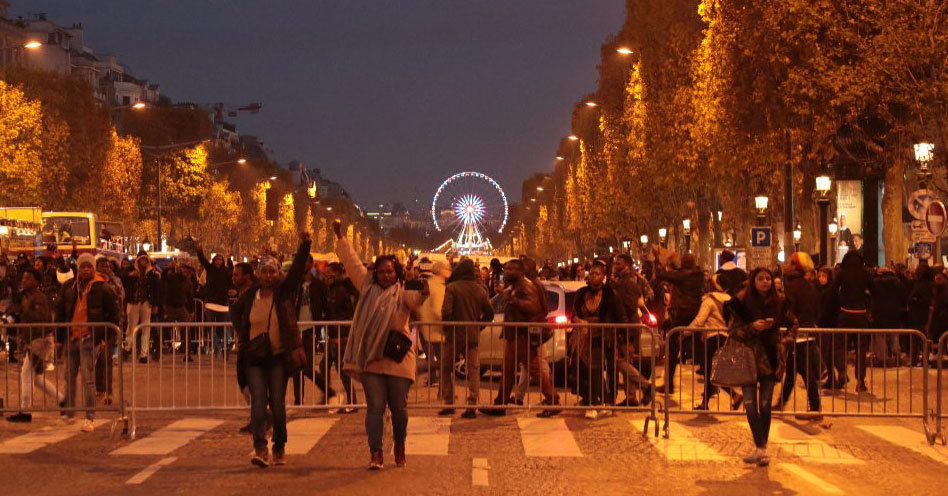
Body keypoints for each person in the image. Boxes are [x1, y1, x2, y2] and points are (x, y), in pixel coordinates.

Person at [333, 221, 427, 470]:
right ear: (375, 273)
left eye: (390, 272)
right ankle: (375, 452)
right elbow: (353, 264)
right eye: (382, 272)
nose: (386, 275)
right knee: (374, 407)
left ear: (396, 273)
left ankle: (399, 445)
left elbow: (417, 299)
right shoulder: (366, 287)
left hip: (397, 360)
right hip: (373, 359)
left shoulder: (403, 293)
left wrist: (419, 286)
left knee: (399, 409)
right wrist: (341, 238)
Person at [231, 233, 309, 468]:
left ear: (278, 274)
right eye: (264, 271)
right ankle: (260, 447)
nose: (268, 276)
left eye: (272, 272)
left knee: (277, 404)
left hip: (277, 357)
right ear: (258, 274)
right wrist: (243, 336)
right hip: (254, 358)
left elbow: (296, 273)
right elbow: (236, 314)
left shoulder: (284, 293)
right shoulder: (249, 297)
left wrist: (304, 246)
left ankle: (280, 446)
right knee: (257, 403)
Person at [727, 267, 789, 467]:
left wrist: (784, 341)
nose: (765, 282)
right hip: (749, 359)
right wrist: (752, 328)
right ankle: (760, 446)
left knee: (765, 404)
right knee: (751, 404)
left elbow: (793, 323)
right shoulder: (742, 304)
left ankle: (761, 448)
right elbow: (733, 331)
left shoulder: (779, 302)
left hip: (770, 360)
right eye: (761, 278)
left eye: (768, 278)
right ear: (753, 281)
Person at [482, 259, 560, 417]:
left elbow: (533, 306)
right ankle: (501, 403)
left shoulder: (525, 285)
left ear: (520, 272)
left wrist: (510, 298)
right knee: (508, 370)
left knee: (534, 369)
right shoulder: (517, 285)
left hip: (522, 334)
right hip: (513, 333)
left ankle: (553, 400)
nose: (506, 272)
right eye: (506, 269)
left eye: (511, 270)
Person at [58, 253, 120, 432]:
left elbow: (114, 315)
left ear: (93, 268)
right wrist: (60, 337)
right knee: (69, 377)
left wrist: (102, 338)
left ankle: (89, 417)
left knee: (88, 379)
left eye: (89, 266)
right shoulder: (69, 287)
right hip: (72, 338)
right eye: (83, 266)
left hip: (89, 340)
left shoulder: (103, 288)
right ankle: (69, 414)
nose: (85, 269)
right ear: (78, 267)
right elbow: (61, 312)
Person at [6, 268, 65, 423]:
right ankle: (63, 401)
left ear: (37, 282)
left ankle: (25, 412)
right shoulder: (26, 296)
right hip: (33, 340)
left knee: (26, 373)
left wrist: (21, 314)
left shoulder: (38, 298)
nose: (25, 281)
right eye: (24, 278)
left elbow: (40, 319)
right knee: (37, 378)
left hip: (40, 340)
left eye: (29, 279)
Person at [439, 258, 494, 418]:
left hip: (454, 334)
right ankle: (472, 404)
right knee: (474, 371)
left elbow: (446, 311)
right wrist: (480, 325)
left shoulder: (452, 288)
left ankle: (449, 402)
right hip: (472, 335)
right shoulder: (480, 289)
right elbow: (489, 312)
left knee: (446, 368)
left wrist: (447, 327)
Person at [572, 261, 626, 419]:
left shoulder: (611, 294)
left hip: (607, 334)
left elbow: (620, 315)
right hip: (586, 336)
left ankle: (609, 402)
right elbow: (574, 313)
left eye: (597, 274)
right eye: (591, 274)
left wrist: (623, 336)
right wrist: (578, 321)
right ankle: (592, 401)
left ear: (603, 277)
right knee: (591, 369)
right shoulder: (581, 293)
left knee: (611, 369)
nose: (593, 277)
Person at [777, 253, 822, 419]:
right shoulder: (808, 284)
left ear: (795, 266)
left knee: (804, 371)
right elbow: (818, 308)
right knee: (792, 369)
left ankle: (816, 408)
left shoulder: (791, 283)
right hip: (807, 330)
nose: (785, 263)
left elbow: (788, 308)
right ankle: (781, 403)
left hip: (798, 333)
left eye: (788, 261)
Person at [690, 275, 739, 411]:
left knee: (710, 371)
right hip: (726, 337)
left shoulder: (709, 300)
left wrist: (686, 332)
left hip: (712, 338)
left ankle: (734, 394)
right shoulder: (730, 300)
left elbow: (700, 320)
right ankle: (705, 402)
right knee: (714, 371)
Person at [656, 253, 704, 393]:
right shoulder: (698, 275)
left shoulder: (681, 276)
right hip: (695, 313)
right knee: (700, 351)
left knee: (671, 347)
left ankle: (669, 384)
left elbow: (660, 274)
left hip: (682, 314)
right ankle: (713, 385)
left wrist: (659, 259)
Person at [828, 251, 874, 392]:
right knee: (861, 348)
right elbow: (874, 291)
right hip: (860, 314)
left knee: (840, 345)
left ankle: (842, 371)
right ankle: (860, 381)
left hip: (845, 313)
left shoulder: (842, 273)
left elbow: (833, 291)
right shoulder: (865, 273)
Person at [322, 262, 360, 412]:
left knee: (341, 369)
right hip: (335, 333)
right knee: (324, 365)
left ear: (337, 273)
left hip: (340, 334)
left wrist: (337, 334)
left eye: (330, 271)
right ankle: (328, 395)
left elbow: (338, 312)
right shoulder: (333, 288)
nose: (326, 274)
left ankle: (352, 401)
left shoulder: (339, 290)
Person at [94, 257, 124, 405]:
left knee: (107, 358)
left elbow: (121, 297)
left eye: (107, 265)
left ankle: (109, 391)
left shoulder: (115, 281)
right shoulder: (92, 281)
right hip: (95, 323)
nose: (105, 268)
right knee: (97, 358)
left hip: (111, 323)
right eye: (101, 265)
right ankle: (99, 388)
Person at [123, 254, 161, 363]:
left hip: (146, 303)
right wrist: (130, 275)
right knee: (131, 327)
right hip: (133, 302)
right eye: (141, 260)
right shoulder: (131, 271)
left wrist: (155, 304)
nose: (143, 262)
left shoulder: (152, 274)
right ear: (138, 261)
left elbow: (155, 290)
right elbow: (122, 277)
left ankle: (144, 354)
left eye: (145, 260)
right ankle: (127, 348)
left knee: (146, 327)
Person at [197, 247, 234, 355]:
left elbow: (232, 283)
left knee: (225, 326)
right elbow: (203, 260)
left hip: (223, 303)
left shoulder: (227, 272)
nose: (218, 262)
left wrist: (233, 291)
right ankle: (217, 346)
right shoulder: (210, 269)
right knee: (210, 326)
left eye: (220, 260)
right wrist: (200, 252)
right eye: (216, 260)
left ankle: (225, 346)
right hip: (211, 303)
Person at [162, 259, 196, 361]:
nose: (185, 273)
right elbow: (164, 278)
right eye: (183, 270)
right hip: (170, 306)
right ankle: (159, 349)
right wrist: (169, 268)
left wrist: (191, 310)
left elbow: (190, 297)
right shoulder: (173, 277)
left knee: (186, 330)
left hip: (181, 307)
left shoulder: (188, 282)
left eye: (187, 271)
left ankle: (187, 354)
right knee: (163, 328)